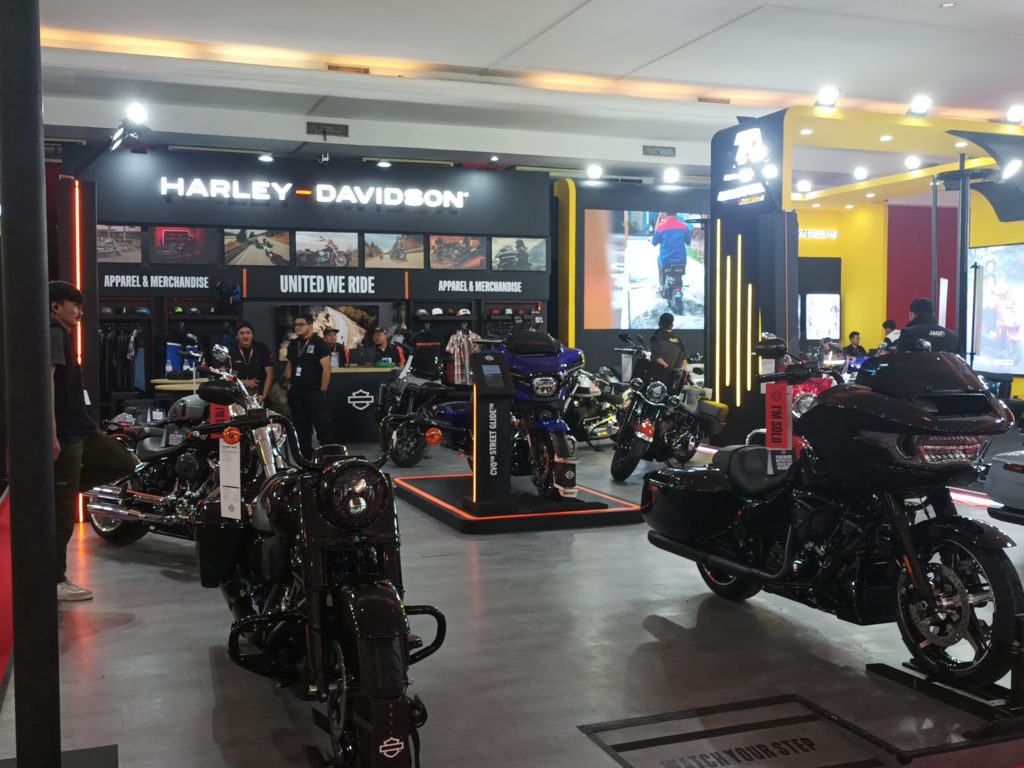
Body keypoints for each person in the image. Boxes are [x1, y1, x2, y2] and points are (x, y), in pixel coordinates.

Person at [50, 281, 136, 601]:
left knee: (124, 462)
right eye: (74, 305)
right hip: (66, 434)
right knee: (63, 516)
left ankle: (58, 491)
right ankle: (55, 579)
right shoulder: (54, 334)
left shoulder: (65, 335)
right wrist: (51, 433)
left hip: (83, 429)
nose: (79, 311)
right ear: (56, 307)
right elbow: (47, 384)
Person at [284, 313, 333, 456]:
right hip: (297, 393)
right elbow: (289, 365)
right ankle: (306, 457)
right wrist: (288, 385)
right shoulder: (293, 344)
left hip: (314, 392)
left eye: (301, 324)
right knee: (301, 426)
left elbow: (326, 368)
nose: (297, 327)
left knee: (322, 425)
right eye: (296, 325)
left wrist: (322, 390)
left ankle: (329, 456)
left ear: (310, 326)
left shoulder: (319, 343)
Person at [897, 297, 961, 353]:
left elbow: (899, 360)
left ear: (911, 314)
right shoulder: (953, 337)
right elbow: (960, 361)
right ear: (933, 314)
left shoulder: (908, 334)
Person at [229, 321, 274, 401]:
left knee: (281, 400)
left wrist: (264, 395)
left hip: (262, 387)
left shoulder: (262, 348)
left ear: (252, 335)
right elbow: (226, 376)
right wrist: (244, 382)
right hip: (240, 387)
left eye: (248, 333)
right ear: (237, 336)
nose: (245, 336)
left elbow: (270, 374)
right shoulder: (231, 352)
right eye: (242, 333)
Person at [651, 212, 691, 296]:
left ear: (666, 215)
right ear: (676, 214)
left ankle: (662, 285)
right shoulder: (684, 226)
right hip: (681, 261)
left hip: (666, 261)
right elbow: (688, 242)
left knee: (658, 258)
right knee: (679, 277)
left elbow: (654, 242)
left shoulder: (661, 227)